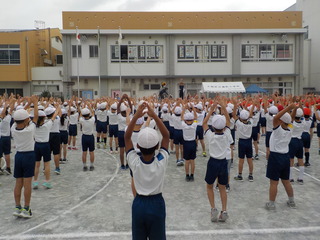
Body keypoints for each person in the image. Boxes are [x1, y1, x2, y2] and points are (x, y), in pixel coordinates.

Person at [124, 102, 170, 240]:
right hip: (157, 204)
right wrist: (154, 115)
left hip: (139, 204)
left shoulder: (134, 162)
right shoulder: (161, 160)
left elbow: (127, 137)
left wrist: (136, 115)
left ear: (137, 145)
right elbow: (166, 136)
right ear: (157, 146)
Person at [203, 100, 233, 222]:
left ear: (213, 126)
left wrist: (211, 110)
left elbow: (204, 123)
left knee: (209, 187)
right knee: (222, 187)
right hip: (223, 162)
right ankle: (224, 210)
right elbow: (229, 122)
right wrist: (224, 108)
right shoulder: (227, 134)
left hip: (213, 162)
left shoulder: (210, 135)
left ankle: (213, 209)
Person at [265, 103, 296, 210]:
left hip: (275, 157)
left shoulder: (278, 129)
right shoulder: (290, 128)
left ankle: (271, 203)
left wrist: (288, 108)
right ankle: (291, 201)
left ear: (281, 121)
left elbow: (277, 118)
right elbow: (290, 120)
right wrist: (294, 109)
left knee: (274, 182)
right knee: (286, 180)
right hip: (285, 157)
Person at [11, 96, 38, 218]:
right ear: (27, 120)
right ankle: (26, 208)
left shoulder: (13, 128)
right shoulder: (29, 129)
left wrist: (27, 105)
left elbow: (19, 116)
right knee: (27, 184)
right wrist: (35, 104)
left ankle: (17, 207)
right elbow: (35, 118)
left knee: (18, 183)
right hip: (29, 156)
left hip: (19, 156)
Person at [33, 105, 60, 189]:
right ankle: (47, 181)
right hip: (45, 145)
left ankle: (35, 182)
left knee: (37, 165)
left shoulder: (33, 125)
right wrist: (58, 108)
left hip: (37, 145)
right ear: (44, 118)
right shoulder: (47, 124)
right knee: (47, 164)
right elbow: (54, 116)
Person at [233, 100, 255, 182]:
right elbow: (250, 115)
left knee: (241, 159)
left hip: (241, 142)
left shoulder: (239, 123)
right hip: (249, 142)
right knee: (249, 159)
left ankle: (240, 174)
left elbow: (234, 116)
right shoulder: (250, 123)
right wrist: (253, 104)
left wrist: (236, 105)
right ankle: (250, 175)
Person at [181, 104, 197, 182]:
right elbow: (196, 117)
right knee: (192, 160)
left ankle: (187, 175)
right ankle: (192, 175)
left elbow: (181, 117)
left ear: (185, 120)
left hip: (186, 144)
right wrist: (193, 108)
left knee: (187, 161)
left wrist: (184, 108)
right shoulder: (194, 125)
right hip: (193, 143)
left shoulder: (183, 125)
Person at [79, 103, 95, 171]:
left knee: (84, 152)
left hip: (84, 137)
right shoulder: (92, 120)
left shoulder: (81, 120)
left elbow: (80, 116)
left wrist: (82, 109)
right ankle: (91, 165)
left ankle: (84, 165)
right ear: (89, 114)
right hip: (90, 137)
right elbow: (93, 113)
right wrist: (90, 107)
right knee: (91, 152)